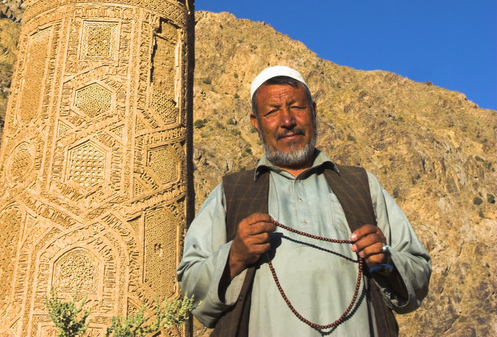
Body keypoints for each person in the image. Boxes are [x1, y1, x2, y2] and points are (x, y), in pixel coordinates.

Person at [177, 66, 431, 336]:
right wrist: (235, 256)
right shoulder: (232, 191)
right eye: (272, 111)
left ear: (313, 110)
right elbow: (190, 286)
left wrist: (385, 261)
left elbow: (418, 271)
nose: (287, 120)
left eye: (296, 107)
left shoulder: (362, 185)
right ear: (255, 121)